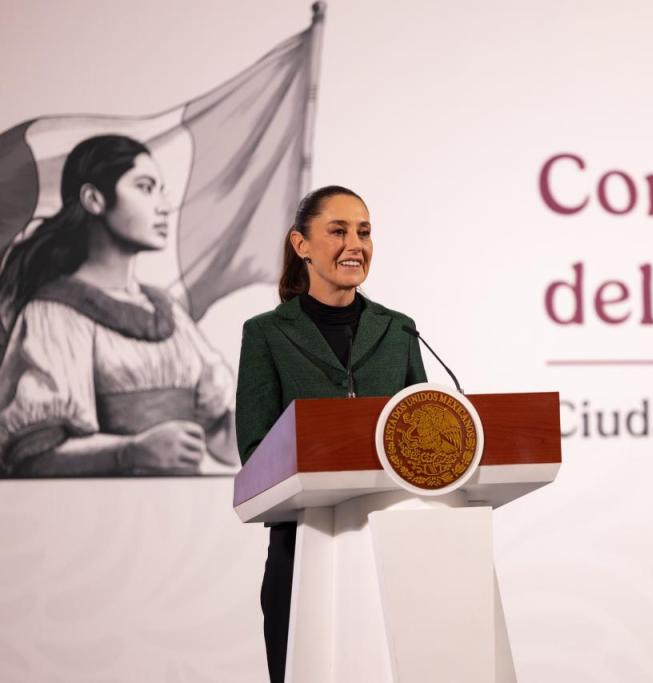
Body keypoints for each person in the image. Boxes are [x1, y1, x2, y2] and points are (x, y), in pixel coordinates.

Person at [234, 185, 426, 683]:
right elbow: (255, 452)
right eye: (338, 231)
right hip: (302, 546)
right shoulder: (266, 334)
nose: (355, 245)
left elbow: (423, 436)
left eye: (364, 232)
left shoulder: (400, 330)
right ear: (301, 244)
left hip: (390, 545)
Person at [0, 134, 236, 476]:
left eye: (161, 190)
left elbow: (223, 439)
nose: (163, 206)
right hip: (101, 507)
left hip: (181, 505)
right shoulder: (54, 313)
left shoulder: (167, 311)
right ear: (94, 199)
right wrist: (131, 451)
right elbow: (33, 455)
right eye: (145, 187)